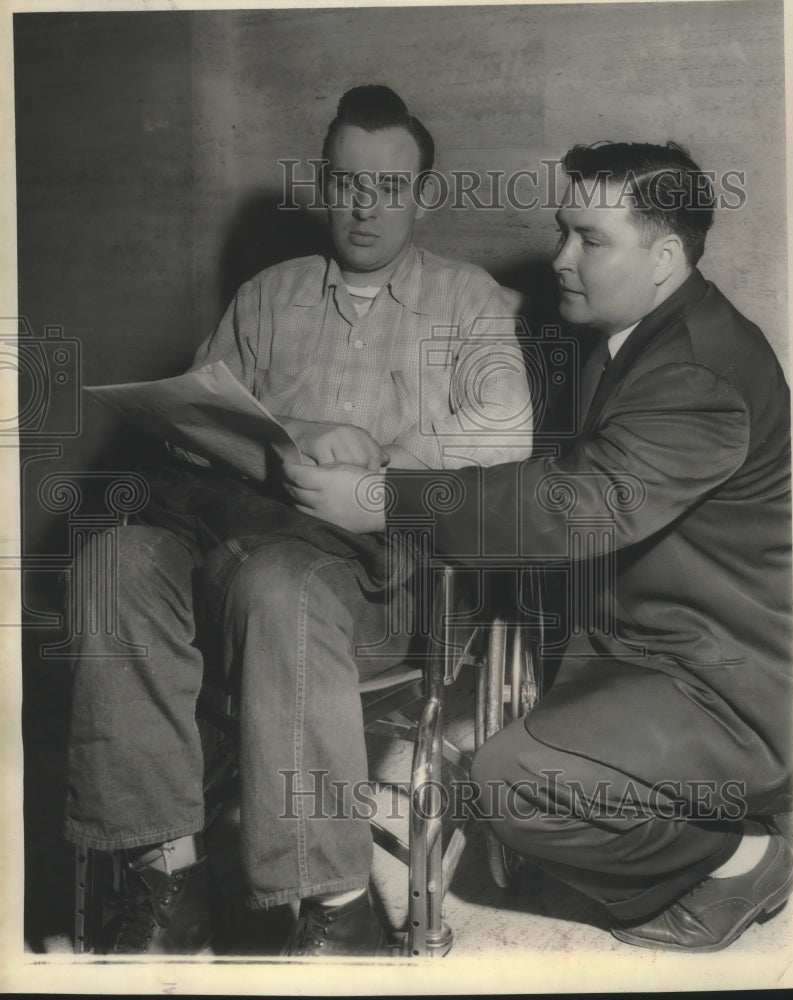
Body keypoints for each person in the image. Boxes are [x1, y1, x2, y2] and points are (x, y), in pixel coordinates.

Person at [285, 141, 793, 953]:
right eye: (564, 232)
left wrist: (383, 497)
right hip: (635, 651)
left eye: (590, 240)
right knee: (494, 760)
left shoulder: (700, 373)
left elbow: (573, 503)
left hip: (714, 683)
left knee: (504, 786)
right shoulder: (631, 333)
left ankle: (744, 856)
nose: (559, 258)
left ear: (664, 257)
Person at [64, 85, 532, 956]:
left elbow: (507, 435)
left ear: (421, 195)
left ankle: (336, 908)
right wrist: (283, 447)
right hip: (233, 545)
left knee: (281, 585)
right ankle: (170, 880)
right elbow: (192, 431)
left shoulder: (468, 303)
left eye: (389, 187)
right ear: (323, 184)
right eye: (347, 182)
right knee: (114, 559)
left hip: (380, 583)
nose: (364, 206)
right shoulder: (268, 296)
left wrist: (376, 468)